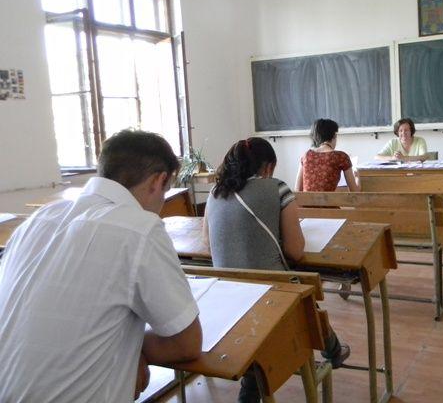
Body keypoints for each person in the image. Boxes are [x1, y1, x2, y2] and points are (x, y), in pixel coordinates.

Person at [0, 129, 202, 402]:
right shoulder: (139, 229)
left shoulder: (37, 220)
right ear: (159, 180)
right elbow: (187, 344)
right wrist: (132, 348)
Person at [203, 137, 350, 403]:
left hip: (226, 293)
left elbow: (207, 244)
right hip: (268, 294)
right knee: (301, 298)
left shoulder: (215, 192)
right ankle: (332, 350)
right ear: (268, 167)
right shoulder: (277, 188)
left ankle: (333, 349)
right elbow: (296, 251)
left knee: (280, 309)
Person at [295, 118, 360, 191]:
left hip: (306, 199)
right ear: (334, 136)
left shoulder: (306, 155)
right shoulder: (341, 157)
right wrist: (357, 177)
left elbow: (297, 190)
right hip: (328, 199)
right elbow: (354, 192)